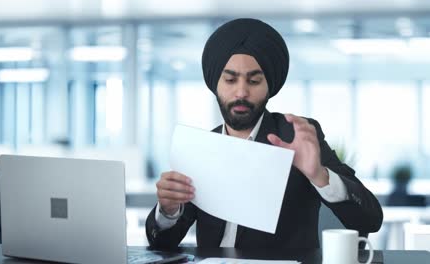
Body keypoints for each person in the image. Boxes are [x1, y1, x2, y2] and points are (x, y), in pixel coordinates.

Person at [145, 18, 383, 249]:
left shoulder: (296, 137)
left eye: (254, 81)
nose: (241, 92)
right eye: (229, 79)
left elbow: (370, 220)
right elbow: (162, 243)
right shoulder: (202, 148)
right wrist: (168, 210)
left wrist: (318, 175)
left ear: (269, 86)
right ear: (215, 84)